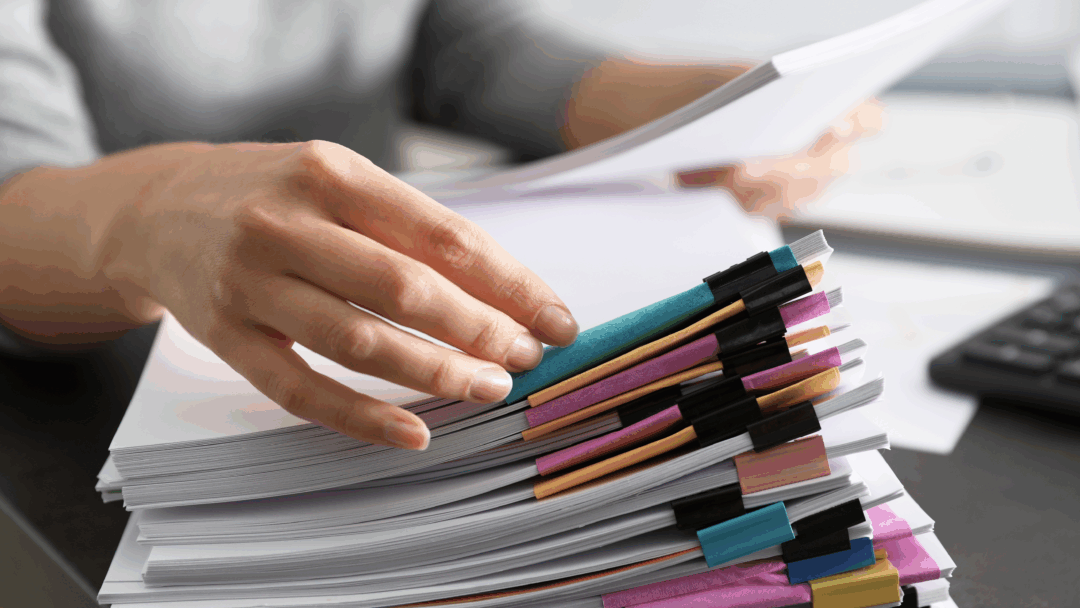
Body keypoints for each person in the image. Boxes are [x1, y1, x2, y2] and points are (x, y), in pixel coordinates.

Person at [0, 0, 880, 453]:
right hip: (104, 366)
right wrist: (144, 214)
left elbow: (450, 40)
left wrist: (667, 107)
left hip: (369, 319)